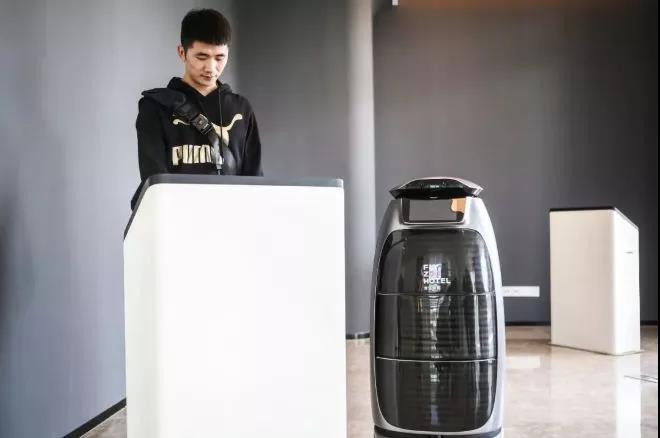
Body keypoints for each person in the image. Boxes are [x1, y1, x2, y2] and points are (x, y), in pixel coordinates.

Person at [131, 8, 262, 208]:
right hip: (177, 221)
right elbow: (155, 186)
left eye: (220, 57)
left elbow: (256, 184)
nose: (211, 68)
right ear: (182, 52)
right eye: (201, 57)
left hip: (232, 220)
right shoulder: (156, 107)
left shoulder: (241, 109)